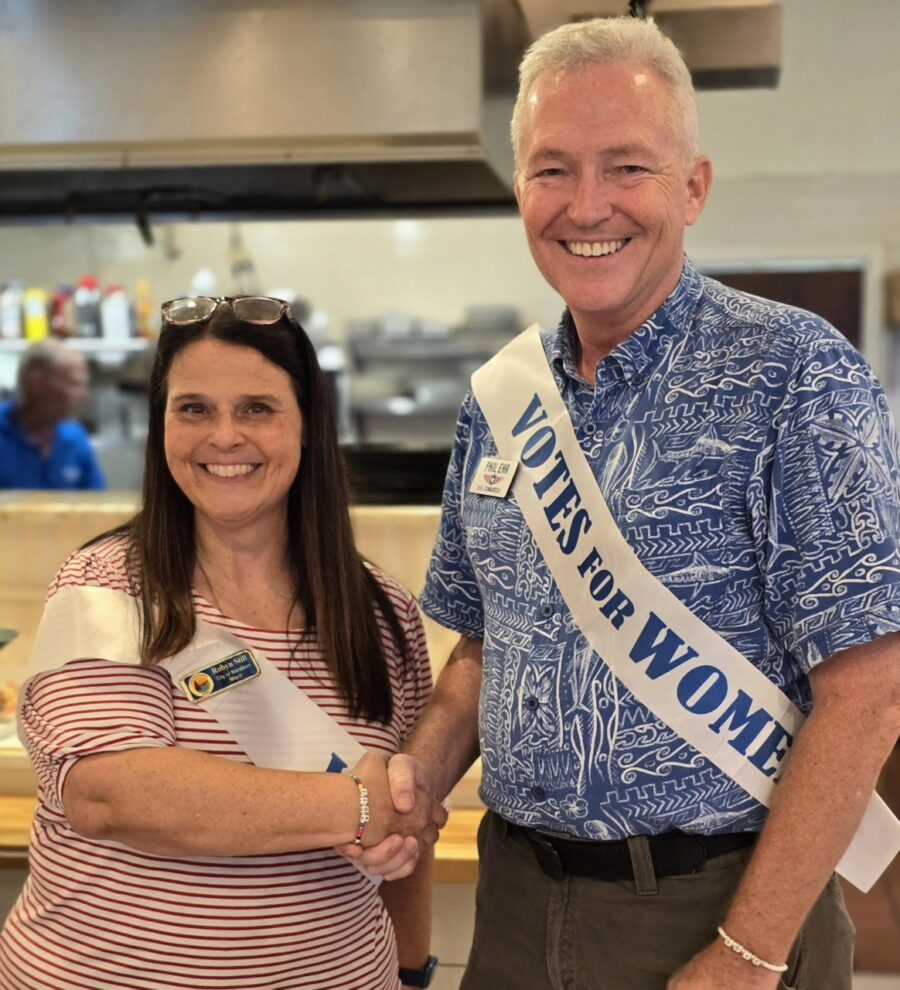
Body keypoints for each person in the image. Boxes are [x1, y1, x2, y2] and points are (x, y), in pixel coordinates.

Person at [343, 15, 900, 990]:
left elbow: (870, 692)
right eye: (552, 169)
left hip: (719, 909)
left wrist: (748, 953)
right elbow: (483, 649)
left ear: (694, 187)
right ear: (519, 186)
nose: (586, 204)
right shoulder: (496, 399)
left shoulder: (796, 374)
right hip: (516, 904)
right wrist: (418, 779)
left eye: (627, 168)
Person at [0, 296, 445, 990]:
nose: (224, 437)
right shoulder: (104, 587)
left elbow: (409, 824)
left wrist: (413, 971)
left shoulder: (381, 611)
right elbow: (112, 794)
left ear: (308, 424)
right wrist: (355, 808)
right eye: (194, 409)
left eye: (258, 408)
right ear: (162, 425)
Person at [0, 340, 106, 490]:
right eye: (74, 384)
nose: (84, 395)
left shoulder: (75, 437)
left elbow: (98, 504)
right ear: (38, 382)